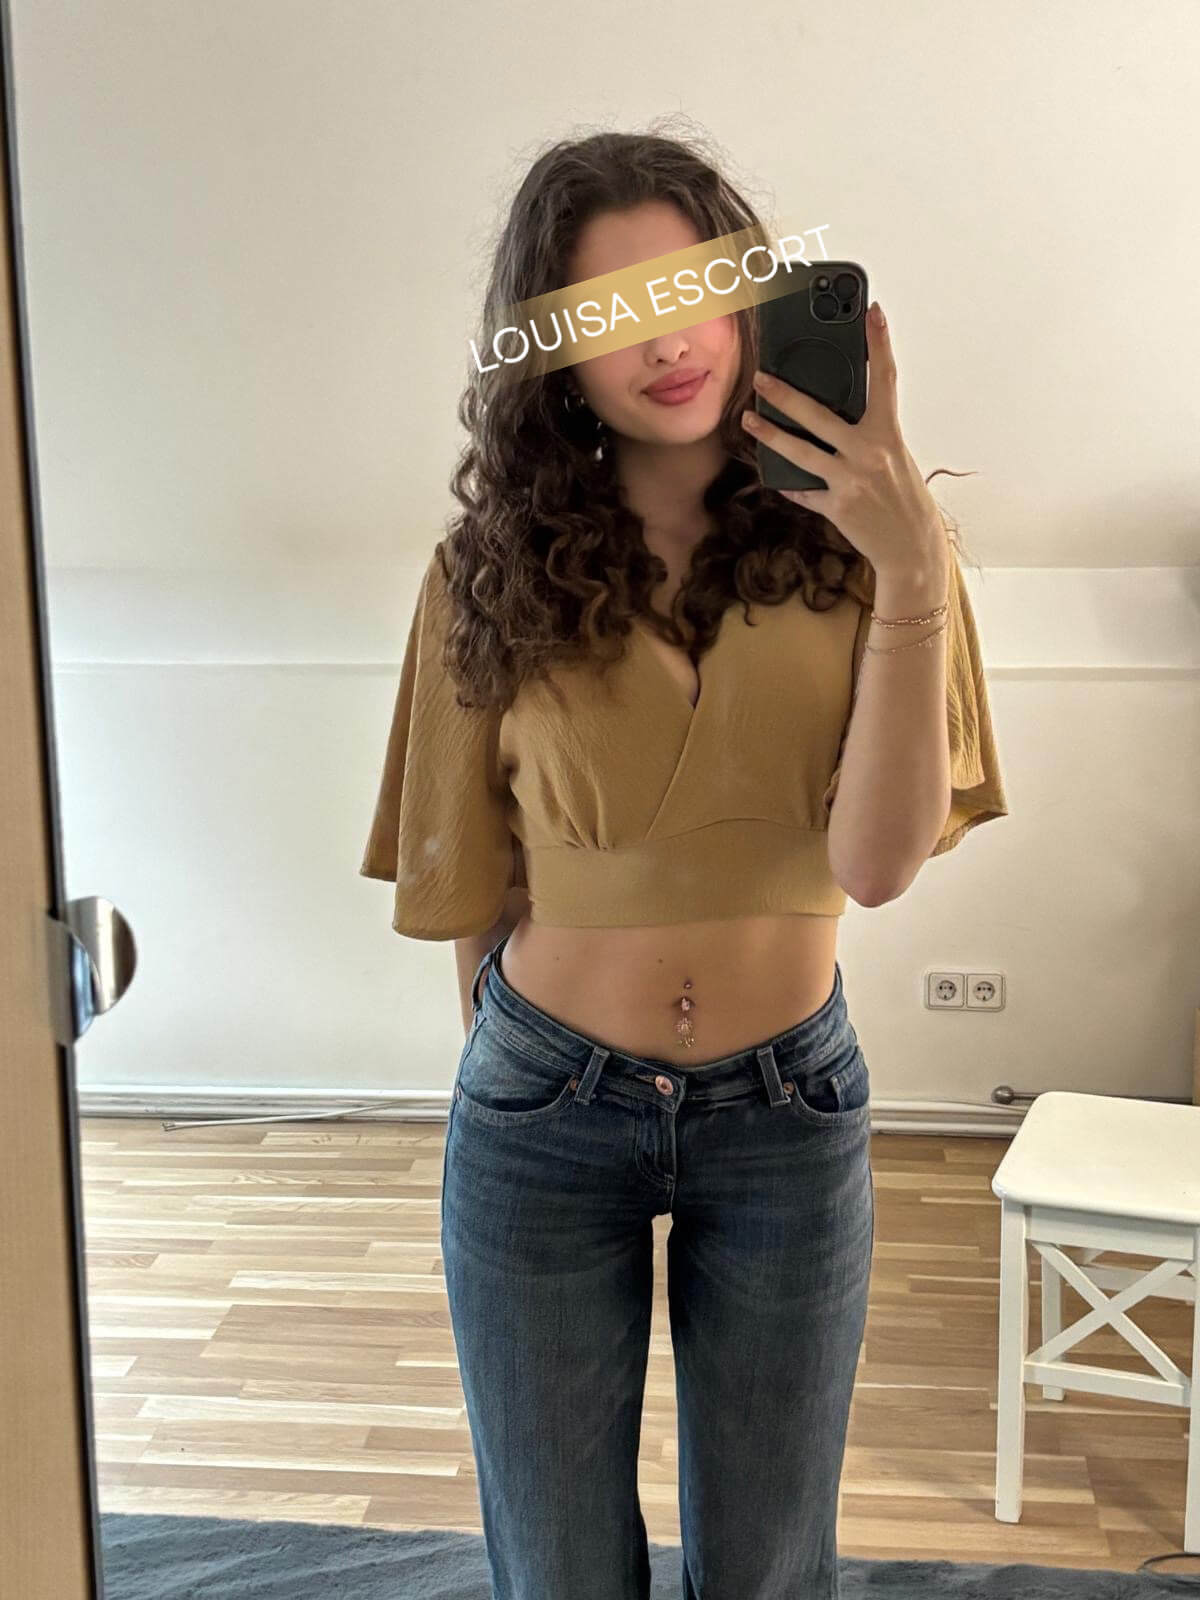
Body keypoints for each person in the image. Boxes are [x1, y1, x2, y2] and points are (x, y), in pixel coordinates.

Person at [360, 125, 1008, 1599]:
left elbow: (878, 865)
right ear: (552, 355)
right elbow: (477, 886)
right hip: (541, 1107)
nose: (665, 343)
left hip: (788, 1109)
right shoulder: (484, 572)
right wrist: (504, 1082)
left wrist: (910, 566)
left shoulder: (885, 552)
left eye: (693, 291)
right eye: (610, 314)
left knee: (770, 1564)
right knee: (557, 1563)